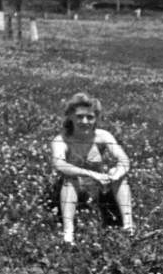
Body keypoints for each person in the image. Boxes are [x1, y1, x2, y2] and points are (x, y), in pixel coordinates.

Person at [50, 92, 133, 244]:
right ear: (70, 117)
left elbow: (124, 159)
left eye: (90, 117)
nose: (85, 121)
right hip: (75, 188)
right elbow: (60, 164)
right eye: (80, 116)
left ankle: (128, 226)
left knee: (119, 174)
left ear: (96, 119)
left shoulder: (103, 136)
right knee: (70, 179)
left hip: (100, 186)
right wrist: (92, 174)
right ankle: (68, 233)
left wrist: (115, 175)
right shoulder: (61, 140)